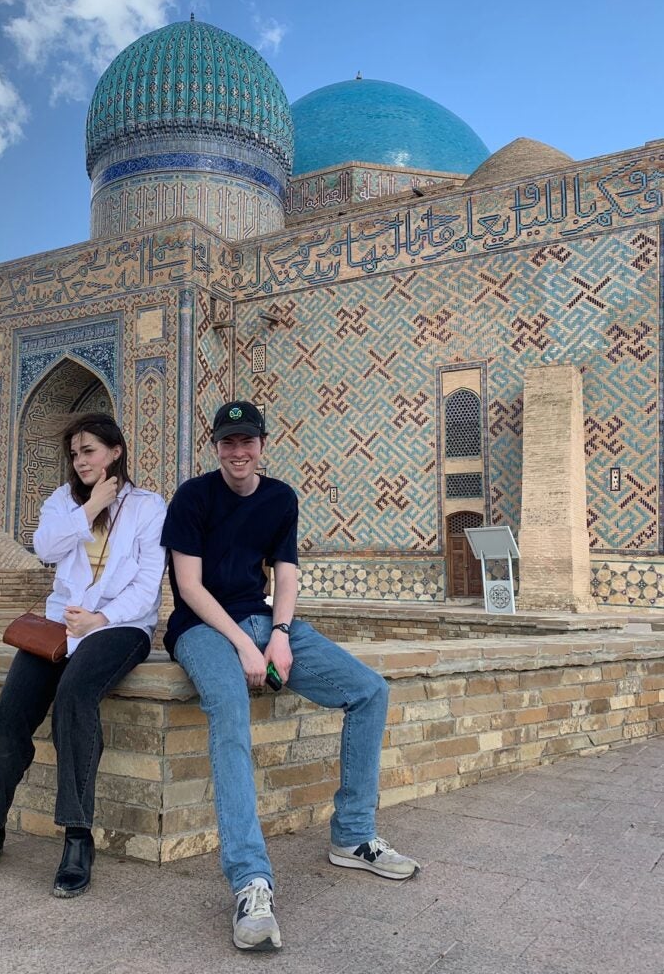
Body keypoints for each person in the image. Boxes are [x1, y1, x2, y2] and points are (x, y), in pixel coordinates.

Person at [161, 401, 419, 951]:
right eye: (227, 443)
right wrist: (241, 645)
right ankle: (251, 881)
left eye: (246, 442)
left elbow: (286, 572)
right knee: (230, 711)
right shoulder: (192, 498)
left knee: (369, 690)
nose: (238, 453)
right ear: (215, 446)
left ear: (262, 443)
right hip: (202, 629)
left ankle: (352, 835)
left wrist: (279, 633)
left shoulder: (280, 497)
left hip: (264, 620)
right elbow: (189, 588)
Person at [0, 412, 166, 898]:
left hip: (120, 628)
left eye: (89, 451)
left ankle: (77, 837)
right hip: (56, 628)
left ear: (115, 451)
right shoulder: (63, 502)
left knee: (76, 697)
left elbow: (147, 582)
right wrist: (92, 504)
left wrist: (101, 620)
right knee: (10, 711)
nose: (80, 461)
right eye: (74, 455)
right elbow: (45, 548)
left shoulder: (149, 506)